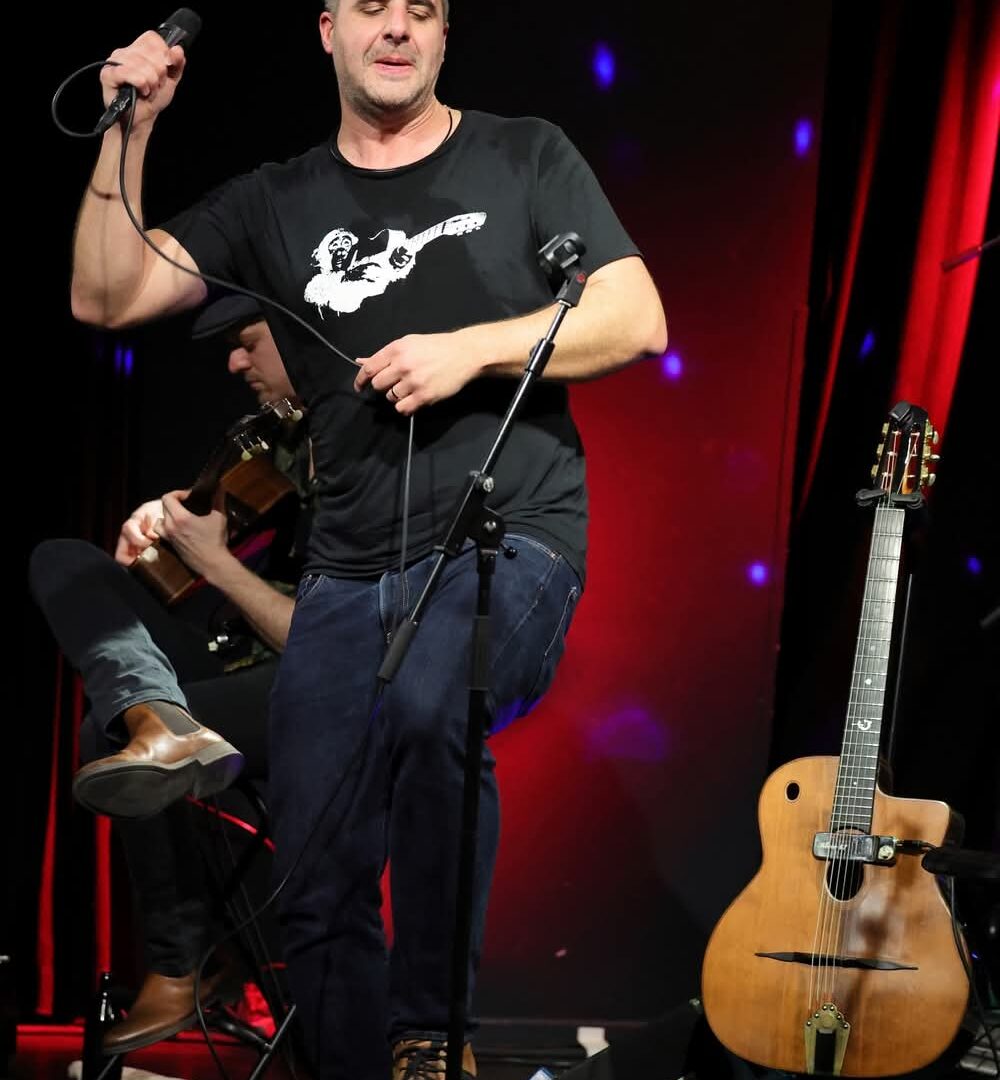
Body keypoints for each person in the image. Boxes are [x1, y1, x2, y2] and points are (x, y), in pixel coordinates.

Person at [67, 2, 669, 1077]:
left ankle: (431, 1040)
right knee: (315, 854)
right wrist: (135, 129)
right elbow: (105, 294)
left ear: (443, 36)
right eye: (373, 8)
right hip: (346, 571)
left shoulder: (524, 154)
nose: (397, 28)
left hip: (507, 538)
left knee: (434, 703)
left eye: (421, 10)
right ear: (328, 30)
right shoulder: (276, 197)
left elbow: (635, 318)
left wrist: (470, 349)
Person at [30, 297, 312, 1054]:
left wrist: (215, 561)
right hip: (237, 662)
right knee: (65, 561)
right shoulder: (272, 442)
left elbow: (331, 643)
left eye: (247, 343)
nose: (234, 363)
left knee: (105, 731)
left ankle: (180, 962)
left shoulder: (372, 455)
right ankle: (155, 715)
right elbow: (194, 538)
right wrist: (157, 528)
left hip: (322, 681)